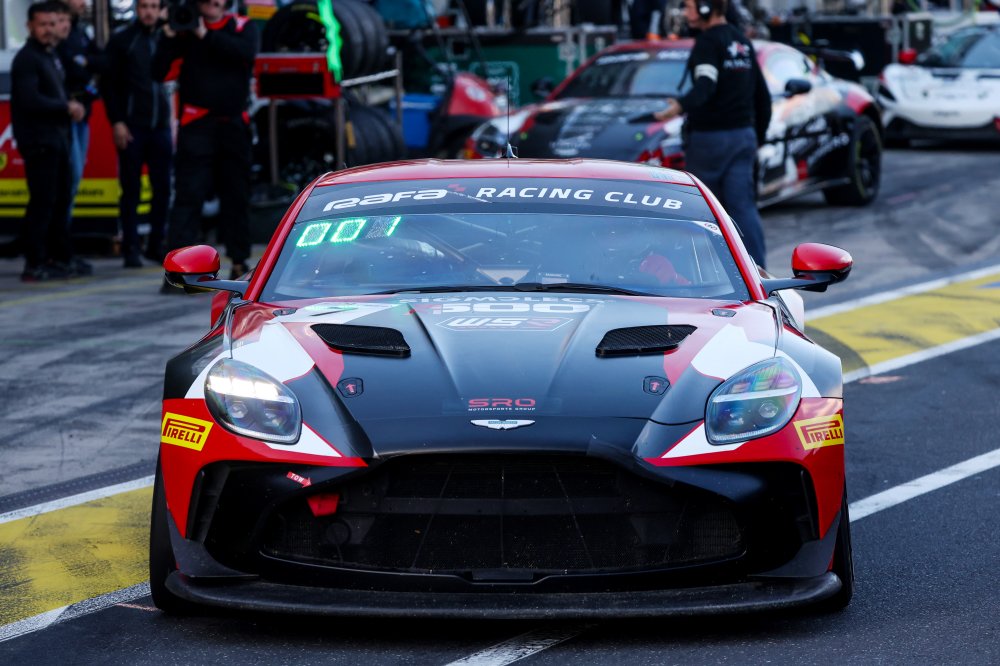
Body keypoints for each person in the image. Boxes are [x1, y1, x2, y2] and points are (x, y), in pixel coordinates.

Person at [654, 0, 771, 268]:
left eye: (689, 6)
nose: (685, 12)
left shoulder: (707, 43)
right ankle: (758, 273)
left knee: (703, 212)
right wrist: (756, 137)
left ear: (706, 8)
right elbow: (763, 98)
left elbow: (705, 86)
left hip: (710, 141)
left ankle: (705, 275)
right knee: (743, 209)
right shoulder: (742, 42)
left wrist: (678, 107)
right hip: (743, 137)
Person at [152, 0, 258, 284]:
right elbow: (158, 72)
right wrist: (168, 36)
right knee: (188, 197)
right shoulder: (182, 30)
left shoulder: (242, 27)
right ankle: (178, 271)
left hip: (233, 125)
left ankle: (239, 261)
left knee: (237, 196)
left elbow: (244, 54)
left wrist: (205, 34)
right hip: (196, 126)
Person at [10, 1, 86, 282]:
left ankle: (59, 257)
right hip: (39, 141)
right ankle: (35, 262)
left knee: (59, 200)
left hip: (57, 139)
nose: (49, 30)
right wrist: (65, 107)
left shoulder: (50, 55)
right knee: (44, 202)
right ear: (30, 26)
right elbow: (30, 99)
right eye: (42, 24)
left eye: (52, 24)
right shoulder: (27, 58)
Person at [102, 0, 172, 267]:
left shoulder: (167, 37)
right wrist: (117, 121)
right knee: (130, 189)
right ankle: (130, 247)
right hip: (133, 127)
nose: (149, 11)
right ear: (136, 8)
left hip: (161, 127)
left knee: (162, 189)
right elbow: (109, 85)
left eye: (154, 6)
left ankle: (156, 244)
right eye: (144, 6)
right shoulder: (123, 40)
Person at [56, 0, 102, 275]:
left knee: (72, 182)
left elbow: (101, 61)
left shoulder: (81, 31)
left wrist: (84, 61)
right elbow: (71, 70)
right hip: (64, 118)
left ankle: (63, 250)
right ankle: (58, 251)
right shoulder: (53, 40)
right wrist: (82, 63)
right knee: (66, 182)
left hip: (81, 113)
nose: (84, 2)